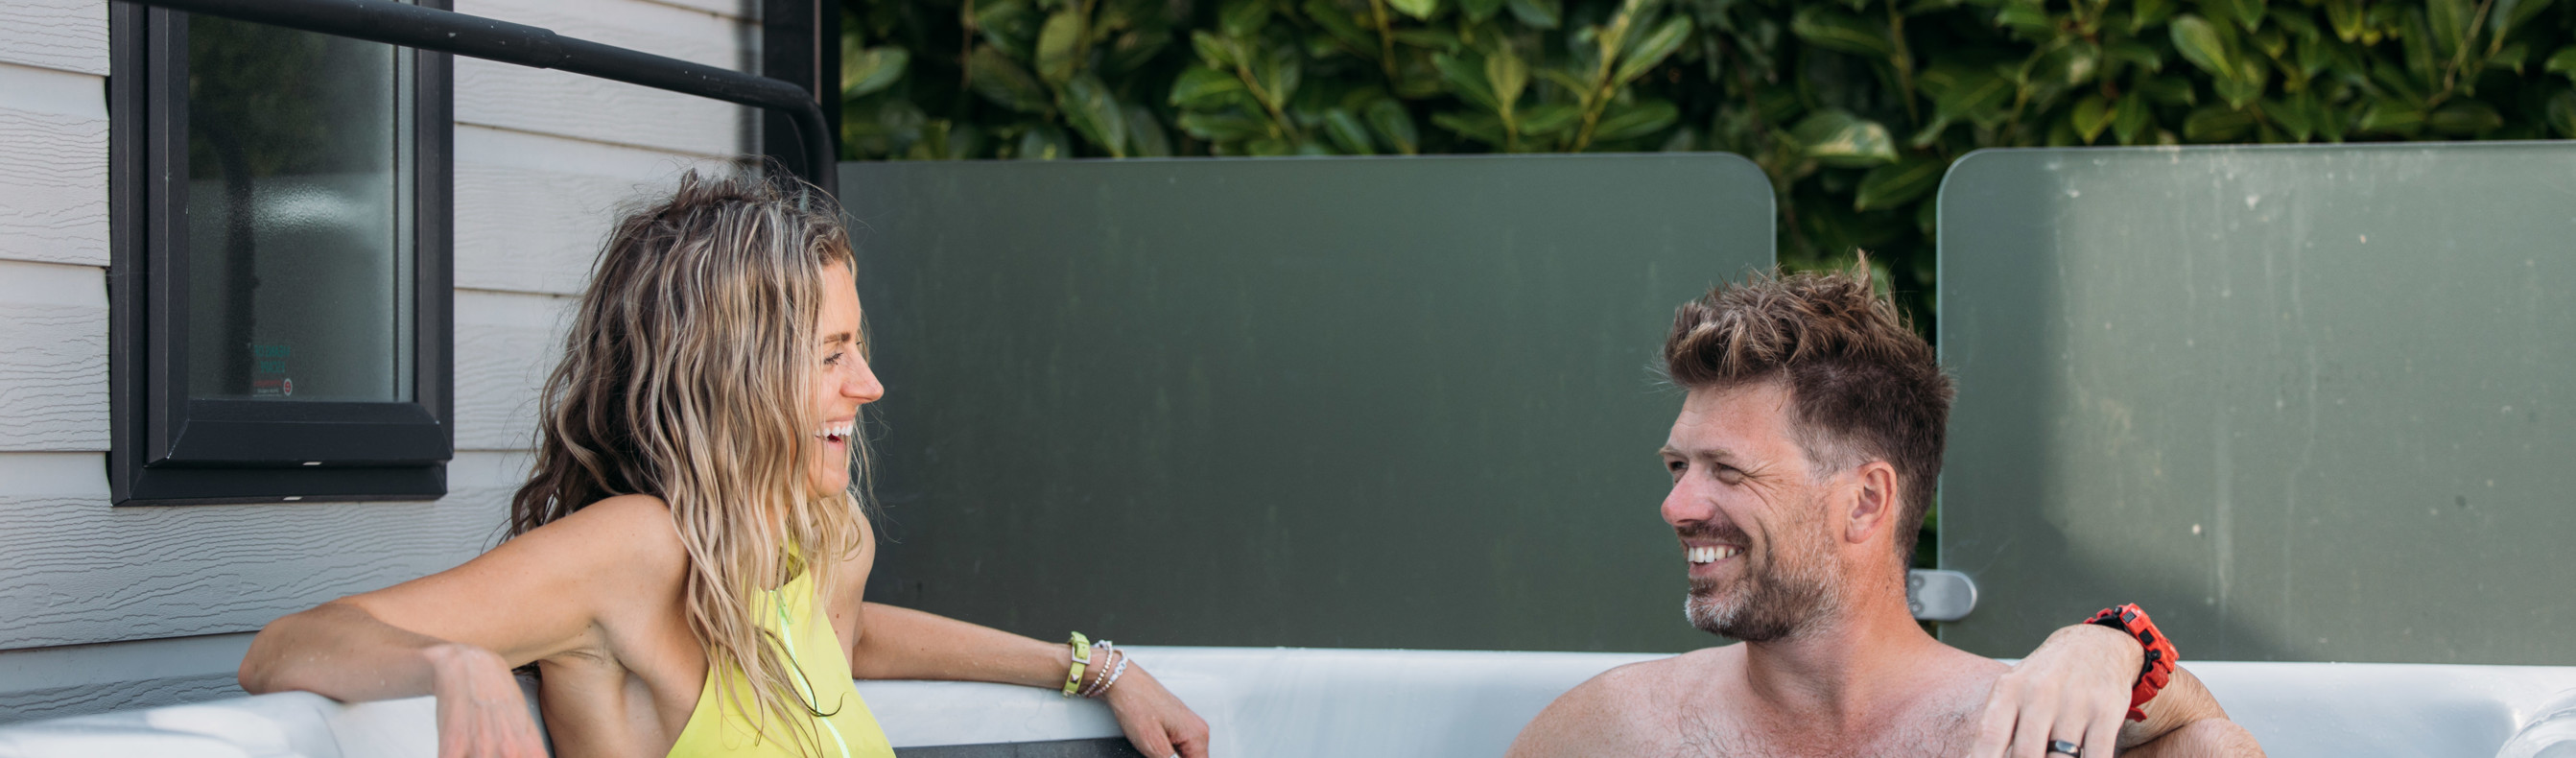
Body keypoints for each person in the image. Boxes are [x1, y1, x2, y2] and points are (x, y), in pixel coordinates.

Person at [237, 173, 1211, 758]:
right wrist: (452, 659)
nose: (867, 385)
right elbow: (283, 648)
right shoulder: (631, 550)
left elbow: (846, 639)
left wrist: (1091, 668)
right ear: (727, 374)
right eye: (830, 355)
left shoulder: (822, 539)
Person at [1507, 265, 2264, 757]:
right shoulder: (1611, 732)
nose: (1677, 506)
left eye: (1726, 471)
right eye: (1679, 466)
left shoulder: (2007, 735)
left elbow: (2213, 748)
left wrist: (2111, 645)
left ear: (1864, 500)